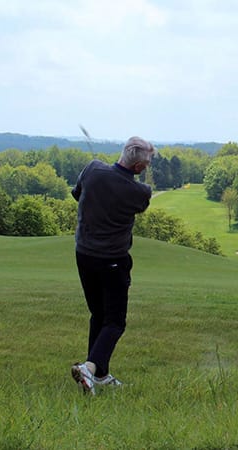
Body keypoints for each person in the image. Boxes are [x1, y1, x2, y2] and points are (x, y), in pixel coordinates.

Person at [70, 136, 155, 395]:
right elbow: (136, 202)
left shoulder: (92, 169)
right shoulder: (140, 192)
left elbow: (77, 195)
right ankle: (89, 367)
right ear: (140, 167)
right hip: (113, 261)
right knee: (115, 322)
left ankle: (100, 373)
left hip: (84, 254)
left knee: (99, 315)